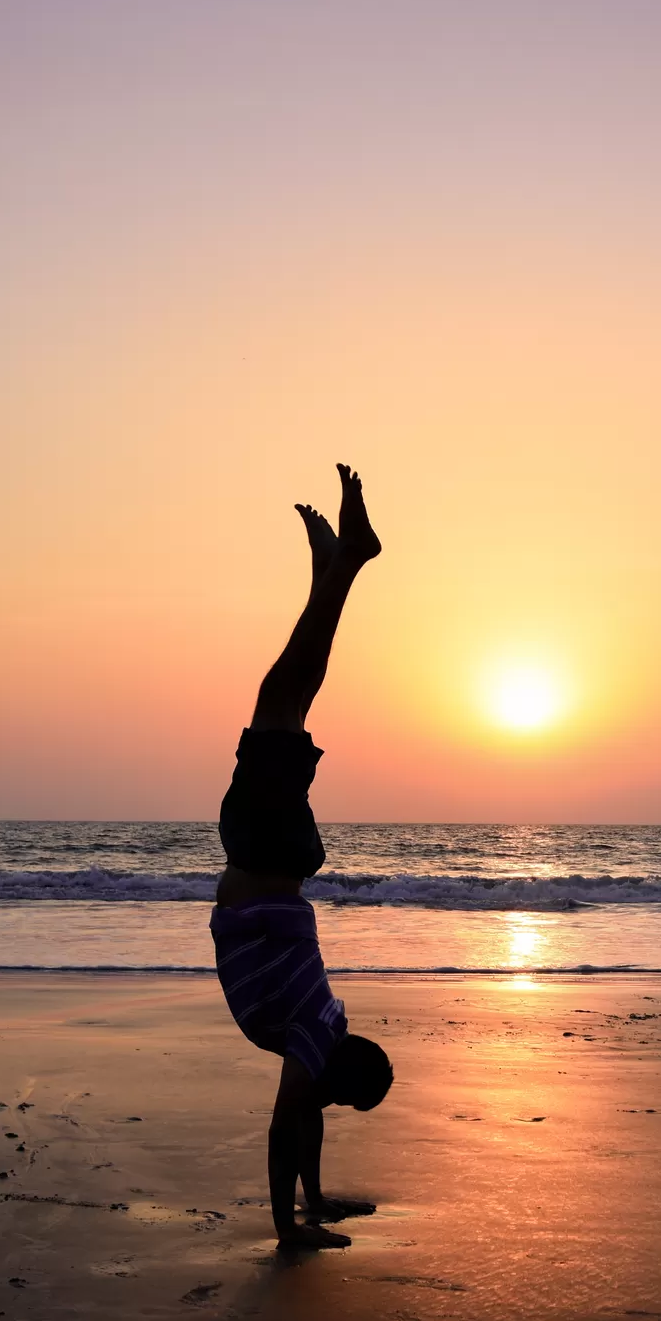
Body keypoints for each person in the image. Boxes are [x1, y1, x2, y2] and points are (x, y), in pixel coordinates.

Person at [211, 463, 394, 1250]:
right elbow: (288, 1122)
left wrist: (317, 1202)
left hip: (279, 858)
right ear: (336, 1072)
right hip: (266, 853)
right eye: (338, 1099)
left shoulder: (323, 1026)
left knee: (290, 691)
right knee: (283, 692)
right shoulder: (312, 1040)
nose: (324, 1105)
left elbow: (305, 1116)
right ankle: (345, 563)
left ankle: (338, 567)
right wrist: (288, 1231)